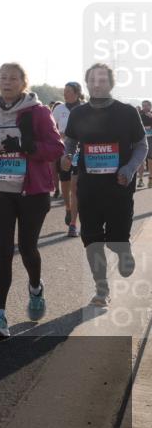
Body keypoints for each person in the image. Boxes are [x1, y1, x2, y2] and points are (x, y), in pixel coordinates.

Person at [0, 63, 63, 338]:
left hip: (32, 191)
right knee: (2, 250)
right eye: (3, 78)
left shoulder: (39, 112)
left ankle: (35, 288)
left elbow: (56, 148)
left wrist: (28, 146)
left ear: (23, 82)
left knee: (27, 247)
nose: (7, 82)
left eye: (13, 78)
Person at [62, 64, 148, 307]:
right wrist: (66, 156)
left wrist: (129, 169)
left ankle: (123, 250)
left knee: (116, 237)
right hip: (89, 186)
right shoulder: (78, 114)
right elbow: (70, 142)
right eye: (92, 80)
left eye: (102, 80)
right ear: (87, 84)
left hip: (119, 186)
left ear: (111, 83)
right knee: (91, 238)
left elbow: (141, 145)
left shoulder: (127, 112)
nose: (97, 84)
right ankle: (101, 289)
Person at [52, 82, 86, 237]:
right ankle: (67, 207)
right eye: (64, 91)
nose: (65, 94)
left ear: (77, 93)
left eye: (68, 91)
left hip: (79, 150)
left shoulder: (85, 108)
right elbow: (50, 128)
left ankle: (73, 223)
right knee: (64, 183)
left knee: (75, 186)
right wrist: (59, 135)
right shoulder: (59, 109)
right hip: (63, 150)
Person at [138, 99, 152, 189]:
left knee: (150, 161)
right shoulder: (139, 115)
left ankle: (150, 180)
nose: (144, 107)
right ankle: (140, 180)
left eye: (146, 105)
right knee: (141, 161)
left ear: (150, 106)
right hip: (141, 140)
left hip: (150, 139)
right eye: (143, 105)